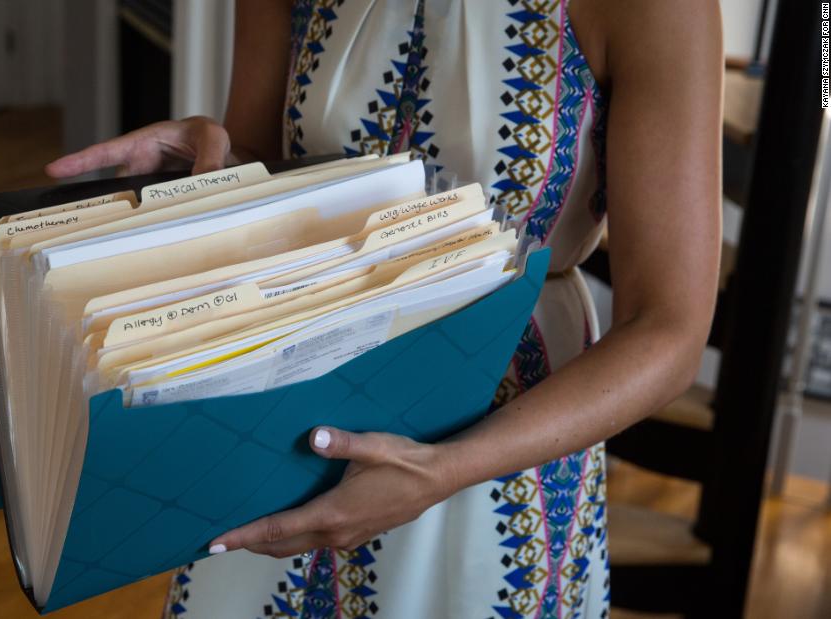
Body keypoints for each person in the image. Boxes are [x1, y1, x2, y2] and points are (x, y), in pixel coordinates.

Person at [46, 0, 722, 616]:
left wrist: (447, 468)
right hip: (279, 421)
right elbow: (263, 161)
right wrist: (210, 164)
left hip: (501, 454)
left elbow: (668, 327)